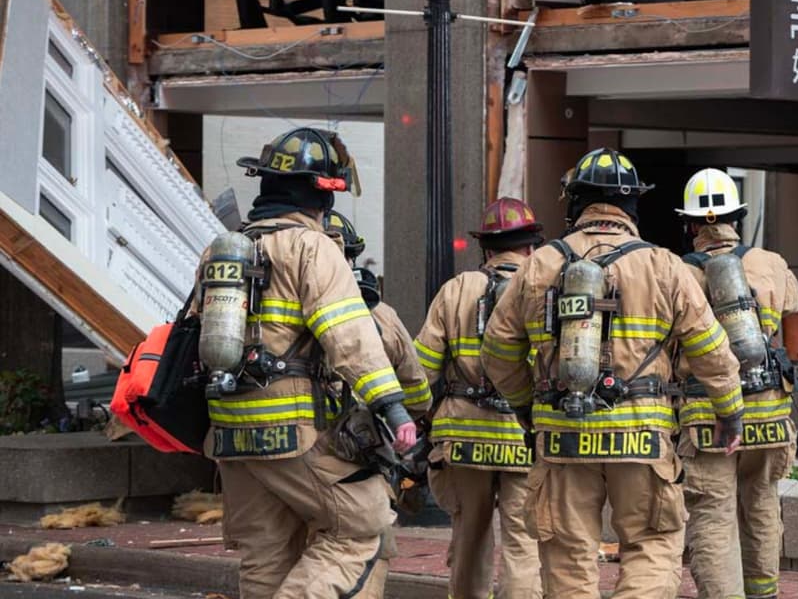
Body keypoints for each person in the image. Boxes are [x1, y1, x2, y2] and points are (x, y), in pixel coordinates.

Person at [480, 148, 745, 599]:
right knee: (651, 548)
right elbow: (711, 348)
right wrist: (730, 411)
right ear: (633, 206)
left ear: (575, 203)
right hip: (643, 436)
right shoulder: (662, 265)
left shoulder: (540, 265)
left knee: (566, 559)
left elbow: (498, 350)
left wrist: (527, 405)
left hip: (562, 433)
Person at [200, 128, 417, 599]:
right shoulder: (311, 246)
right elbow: (348, 334)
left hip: (230, 431)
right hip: (292, 425)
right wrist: (393, 406)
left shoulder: (225, 250)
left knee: (266, 552)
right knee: (361, 525)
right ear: (323, 193)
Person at [675, 168, 798, 599]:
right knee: (763, 503)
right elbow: (788, 318)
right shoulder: (772, 264)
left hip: (707, 414)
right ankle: (764, 593)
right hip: (769, 412)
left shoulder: (678, 272)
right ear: (738, 217)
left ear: (691, 225)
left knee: (713, 515)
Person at [413, 197, 546, 599]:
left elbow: (422, 368)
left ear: (486, 249)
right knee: (523, 541)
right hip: (524, 435)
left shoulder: (456, 290)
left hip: (462, 436)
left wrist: (421, 418)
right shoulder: (543, 290)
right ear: (530, 248)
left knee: (470, 534)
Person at [325, 209, 434, 419]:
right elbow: (418, 394)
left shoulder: (274, 310)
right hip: (358, 438)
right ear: (351, 261)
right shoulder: (382, 316)